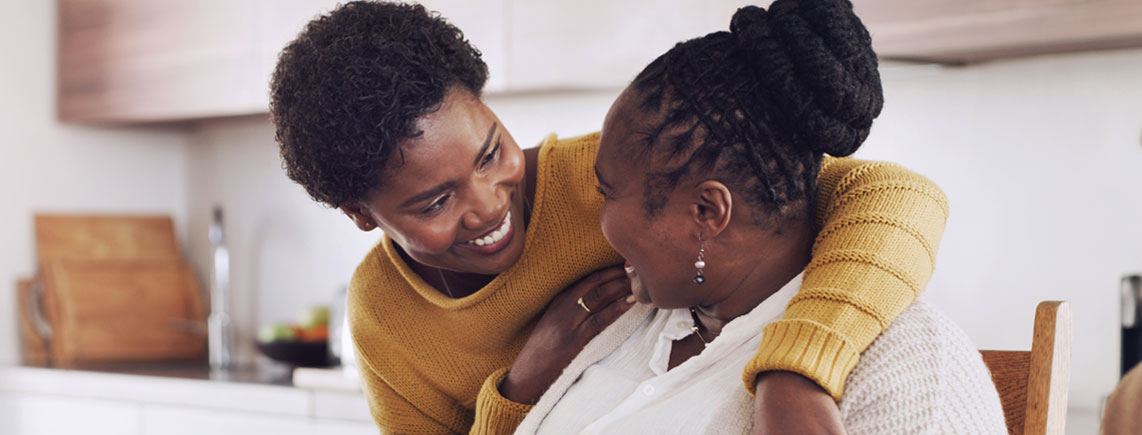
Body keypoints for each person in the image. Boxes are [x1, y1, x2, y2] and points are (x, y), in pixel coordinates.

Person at [269, 1, 949, 433]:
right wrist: (517, 389)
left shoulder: (622, 174)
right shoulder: (384, 313)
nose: (487, 204)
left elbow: (886, 197)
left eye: (490, 151)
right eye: (435, 202)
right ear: (360, 214)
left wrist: (798, 368)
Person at [512, 0, 1006, 433]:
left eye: (608, 192)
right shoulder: (635, 318)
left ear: (708, 211)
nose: (597, 218)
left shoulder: (909, 374)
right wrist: (519, 391)